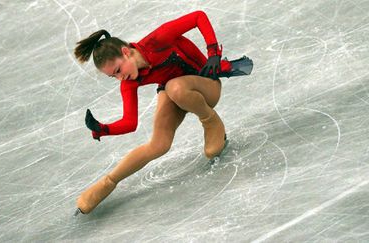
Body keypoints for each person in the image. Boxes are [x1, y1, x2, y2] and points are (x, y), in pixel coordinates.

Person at [73, 10, 253, 215]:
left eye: (117, 71)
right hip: (174, 92)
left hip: (206, 84)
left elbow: (198, 17)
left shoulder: (157, 40)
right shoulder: (129, 82)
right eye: (113, 77)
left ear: (125, 52)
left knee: (174, 87)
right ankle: (107, 183)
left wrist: (213, 54)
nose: (120, 79)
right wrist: (102, 128)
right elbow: (130, 122)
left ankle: (210, 120)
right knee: (158, 144)